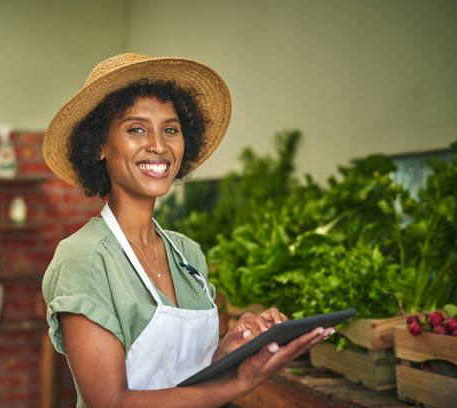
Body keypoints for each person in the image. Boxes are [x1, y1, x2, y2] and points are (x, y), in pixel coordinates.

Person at [41, 53, 334, 408]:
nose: (159, 145)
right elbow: (110, 402)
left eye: (170, 129)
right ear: (100, 145)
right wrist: (237, 384)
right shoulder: (85, 257)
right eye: (136, 129)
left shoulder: (187, 254)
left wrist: (235, 347)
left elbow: (187, 380)